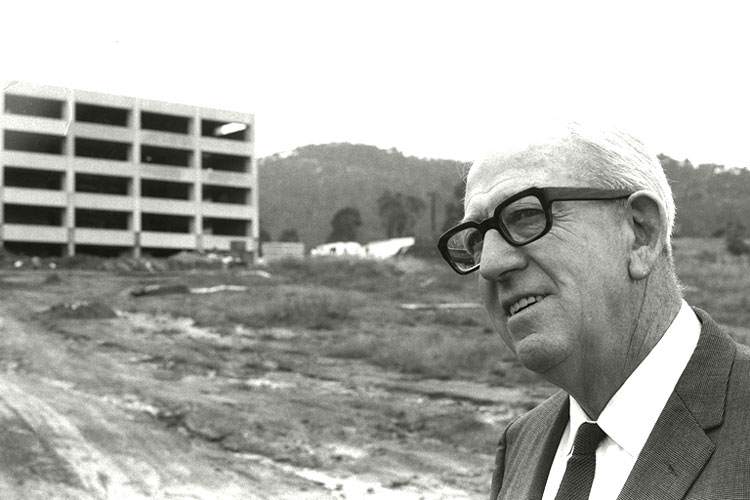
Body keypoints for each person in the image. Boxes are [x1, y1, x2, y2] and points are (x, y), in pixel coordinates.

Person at [437, 122, 750, 500]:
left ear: (640, 232)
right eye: (475, 240)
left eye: (524, 216)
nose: (490, 264)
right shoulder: (522, 442)